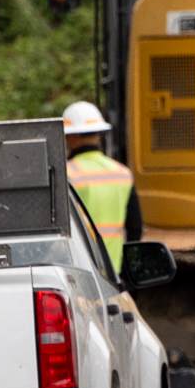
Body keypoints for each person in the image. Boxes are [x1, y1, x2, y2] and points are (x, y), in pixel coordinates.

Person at [61, 101, 141, 271]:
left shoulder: (65, 174)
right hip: (112, 274)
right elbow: (135, 228)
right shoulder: (122, 173)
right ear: (99, 134)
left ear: (70, 136)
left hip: (79, 272)